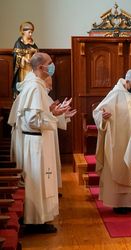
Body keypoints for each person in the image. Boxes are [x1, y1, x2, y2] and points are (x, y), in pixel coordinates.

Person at [8, 52, 70, 233]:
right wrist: (53, 116)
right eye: (50, 63)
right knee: (36, 182)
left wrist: (53, 112)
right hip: (34, 143)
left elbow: (38, 116)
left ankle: (39, 219)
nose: (53, 66)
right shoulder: (34, 88)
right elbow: (33, 121)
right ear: (41, 67)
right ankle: (34, 221)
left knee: (41, 180)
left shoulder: (36, 86)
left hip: (35, 141)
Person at [93, 69, 131, 214]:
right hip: (119, 141)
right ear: (127, 81)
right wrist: (103, 117)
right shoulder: (115, 94)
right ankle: (119, 203)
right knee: (119, 167)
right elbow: (97, 112)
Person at [12, 21, 39, 96]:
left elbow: (37, 52)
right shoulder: (18, 43)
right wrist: (23, 58)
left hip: (32, 66)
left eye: (31, 32)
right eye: (29, 32)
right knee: (24, 83)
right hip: (23, 68)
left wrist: (34, 53)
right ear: (23, 32)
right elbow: (16, 55)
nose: (31, 34)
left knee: (32, 83)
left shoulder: (32, 43)